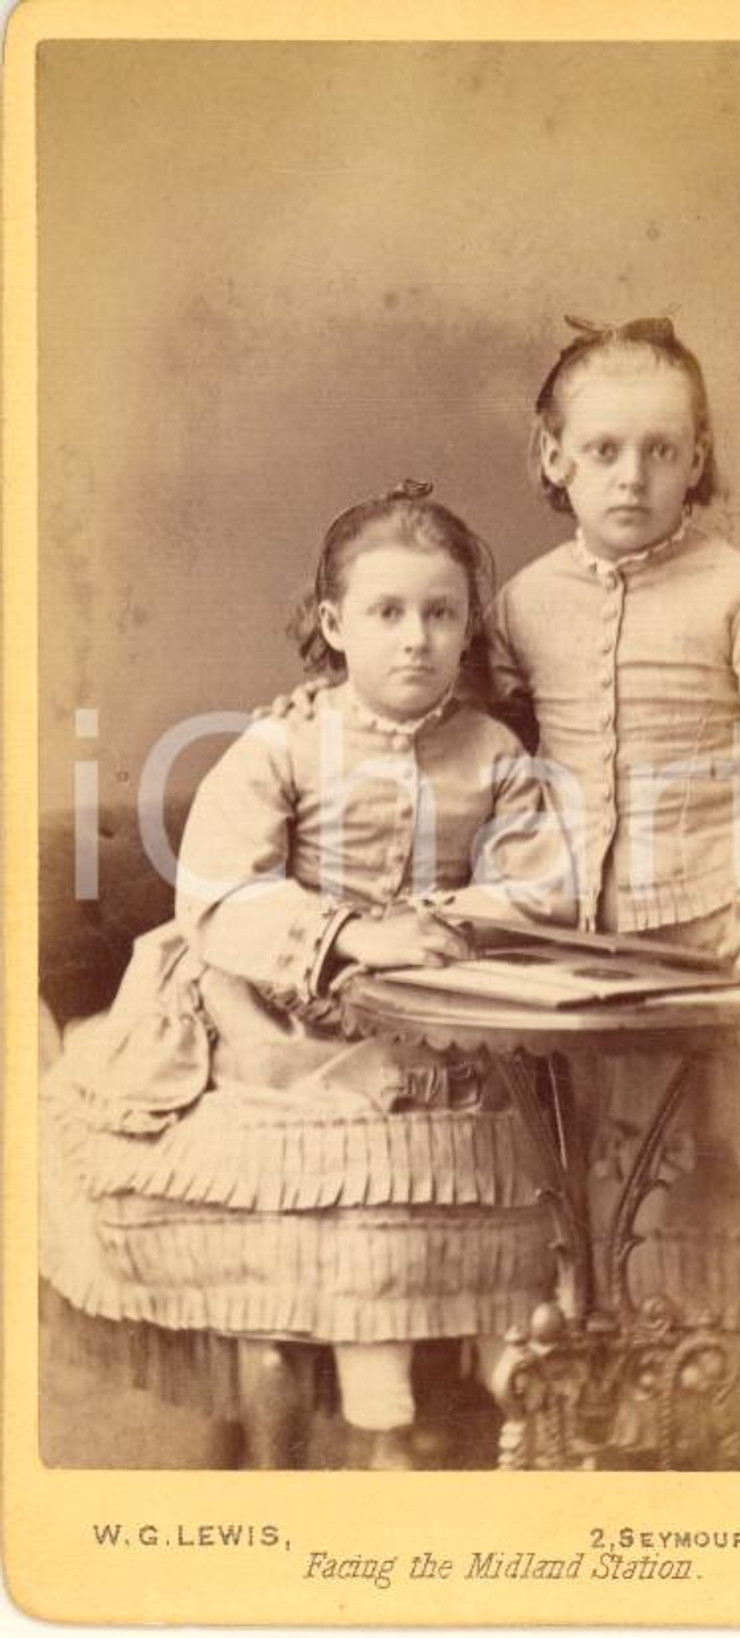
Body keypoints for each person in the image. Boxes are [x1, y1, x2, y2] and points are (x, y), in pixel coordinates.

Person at [271, 320, 740, 1466]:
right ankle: (595, 1414)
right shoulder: (527, 601)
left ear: (698, 459)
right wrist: (317, 712)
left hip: (712, 936)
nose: (629, 477)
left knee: (729, 1176)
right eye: (600, 451)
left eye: (658, 450)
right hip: (568, 946)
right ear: (552, 458)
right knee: (587, 1194)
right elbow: (442, 716)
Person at [40, 480, 576, 1469]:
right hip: (280, 1022)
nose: (414, 638)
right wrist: (347, 938)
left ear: (465, 629)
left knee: (493, 1167)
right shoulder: (282, 743)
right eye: (386, 612)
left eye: (439, 613)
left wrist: (441, 926)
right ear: (335, 624)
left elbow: (541, 884)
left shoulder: (493, 753)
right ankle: (323, 1452)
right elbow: (219, 894)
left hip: (434, 1021)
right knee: (296, 1201)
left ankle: (450, 1424)